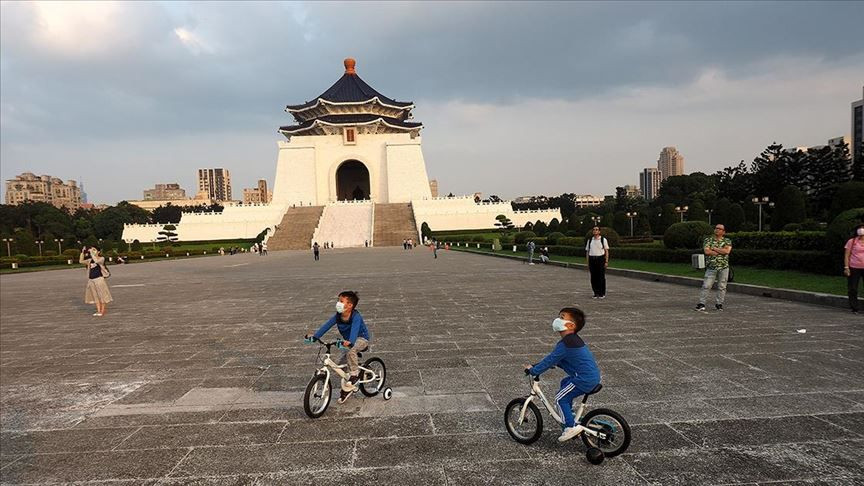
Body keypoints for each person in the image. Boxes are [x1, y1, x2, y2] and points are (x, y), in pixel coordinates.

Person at [525, 307, 600, 443]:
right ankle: (569, 414)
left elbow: (550, 359)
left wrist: (534, 370)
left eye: (562, 317)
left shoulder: (566, 343)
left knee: (560, 399)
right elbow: (566, 359)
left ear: (571, 325)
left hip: (583, 379)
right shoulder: (573, 340)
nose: (557, 320)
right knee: (565, 383)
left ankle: (570, 427)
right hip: (590, 376)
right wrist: (552, 364)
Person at [305, 291, 371, 403]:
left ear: (350, 305)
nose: (338, 303)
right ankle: (348, 387)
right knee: (340, 366)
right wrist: (315, 337)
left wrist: (350, 342)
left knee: (351, 351)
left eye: (341, 301)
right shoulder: (338, 316)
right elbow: (326, 326)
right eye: (338, 301)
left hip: (361, 339)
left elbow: (354, 331)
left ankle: (355, 374)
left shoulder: (356, 317)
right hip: (348, 341)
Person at [696, 224, 733, 311]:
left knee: (722, 286)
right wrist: (720, 250)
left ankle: (719, 304)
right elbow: (707, 251)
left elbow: (727, 251)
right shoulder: (708, 240)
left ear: (723, 232)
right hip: (711, 267)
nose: (717, 230)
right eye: (716, 228)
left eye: (719, 229)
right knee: (706, 285)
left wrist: (714, 248)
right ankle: (702, 303)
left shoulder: (727, 241)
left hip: (723, 267)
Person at [79, 246, 113, 317]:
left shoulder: (101, 259)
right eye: (92, 249)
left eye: (94, 250)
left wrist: (92, 253)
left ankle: (102, 311)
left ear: (98, 252)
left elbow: (97, 261)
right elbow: (81, 261)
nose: (92, 251)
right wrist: (82, 252)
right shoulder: (90, 260)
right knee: (95, 296)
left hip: (99, 279)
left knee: (102, 295)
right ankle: (98, 310)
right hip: (91, 280)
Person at [844, 224, 864, 314]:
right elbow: (847, 255)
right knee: (853, 288)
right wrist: (846, 267)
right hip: (854, 267)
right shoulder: (851, 241)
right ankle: (854, 308)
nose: (861, 230)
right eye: (860, 229)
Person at [585, 227, 609, 298]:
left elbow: (606, 251)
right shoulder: (590, 240)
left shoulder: (603, 240)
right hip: (592, 259)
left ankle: (602, 293)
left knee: (601, 276)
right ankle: (596, 292)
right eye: (593, 230)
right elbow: (587, 251)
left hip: (600, 259)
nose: (595, 231)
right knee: (593, 277)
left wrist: (606, 261)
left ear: (599, 232)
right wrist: (588, 262)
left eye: (596, 230)